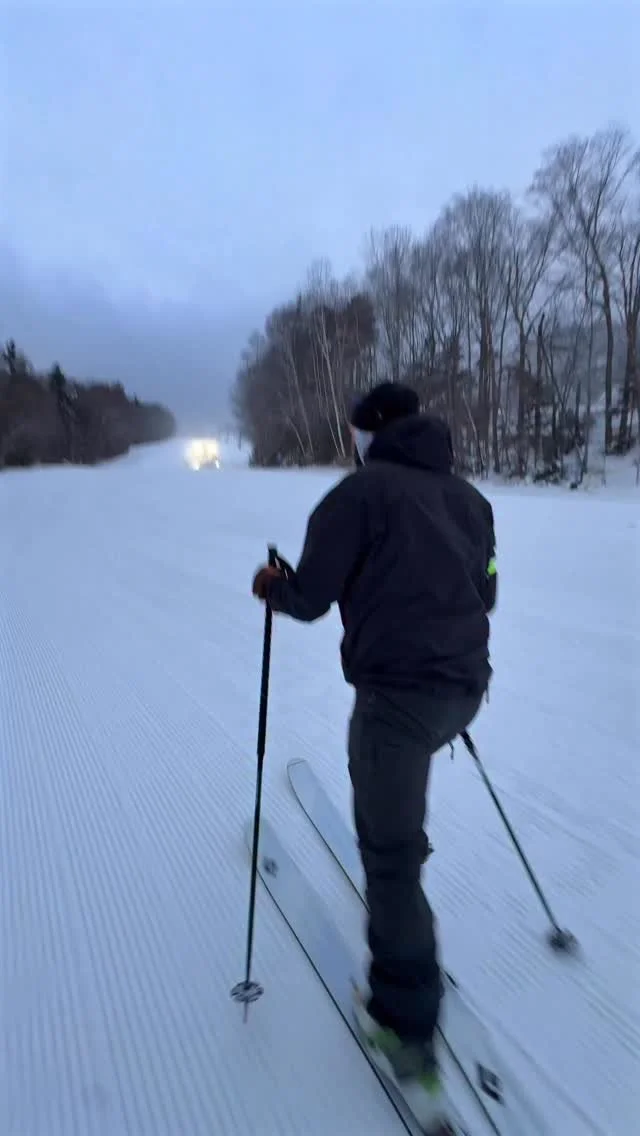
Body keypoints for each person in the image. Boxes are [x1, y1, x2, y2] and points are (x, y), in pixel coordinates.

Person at [252, 382, 497, 1107]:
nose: (357, 446)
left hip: (397, 706)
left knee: (389, 859)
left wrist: (273, 586)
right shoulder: (470, 500)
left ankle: (402, 1024)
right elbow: (484, 591)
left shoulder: (357, 496)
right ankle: (402, 868)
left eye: (359, 435)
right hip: (462, 694)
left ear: (372, 435)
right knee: (396, 817)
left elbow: (309, 598)